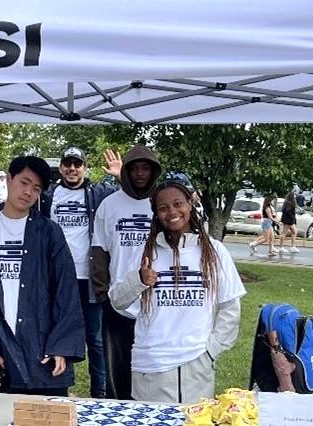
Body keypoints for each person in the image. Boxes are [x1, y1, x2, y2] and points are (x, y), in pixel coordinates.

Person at [109, 181, 246, 403]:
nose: (172, 212)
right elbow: (117, 300)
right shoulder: (145, 252)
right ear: (156, 214)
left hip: (196, 363)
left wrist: (211, 350)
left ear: (190, 205)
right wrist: (139, 280)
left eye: (177, 204)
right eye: (163, 208)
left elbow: (230, 307)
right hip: (151, 366)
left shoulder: (214, 251)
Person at [0, 156, 85, 396]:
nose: (29, 192)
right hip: (1, 351)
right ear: (9, 180)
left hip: (44, 351)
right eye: (24, 183)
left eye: (37, 188)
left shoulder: (49, 232)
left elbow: (66, 291)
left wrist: (60, 346)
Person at [38, 146, 121, 398]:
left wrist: (120, 176)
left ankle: (100, 394)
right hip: (57, 277)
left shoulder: (98, 193)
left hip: (90, 277)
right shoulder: (48, 195)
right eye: (68, 164)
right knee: (57, 334)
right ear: (61, 167)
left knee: (94, 339)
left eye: (77, 164)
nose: (72, 169)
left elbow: (130, 194)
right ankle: (58, 388)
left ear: (85, 167)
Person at [90, 144, 162, 400]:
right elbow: (99, 252)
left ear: (154, 172)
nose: (140, 174)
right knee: (117, 373)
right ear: (128, 172)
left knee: (151, 374)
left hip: (157, 304)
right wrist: (103, 295)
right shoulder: (109, 206)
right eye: (135, 169)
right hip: (118, 303)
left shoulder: (161, 204)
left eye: (146, 168)